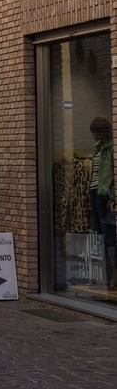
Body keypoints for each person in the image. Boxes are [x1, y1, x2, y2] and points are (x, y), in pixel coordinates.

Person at [88, 118, 116, 286]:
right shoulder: (98, 149)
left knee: (109, 235)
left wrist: (112, 196)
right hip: (94, 192)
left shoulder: (111, 148)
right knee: (97, 235)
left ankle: (114, 275)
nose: (94, 135)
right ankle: (98, 273)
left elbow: (112, 174)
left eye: (96, 132)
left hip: (104, 195)